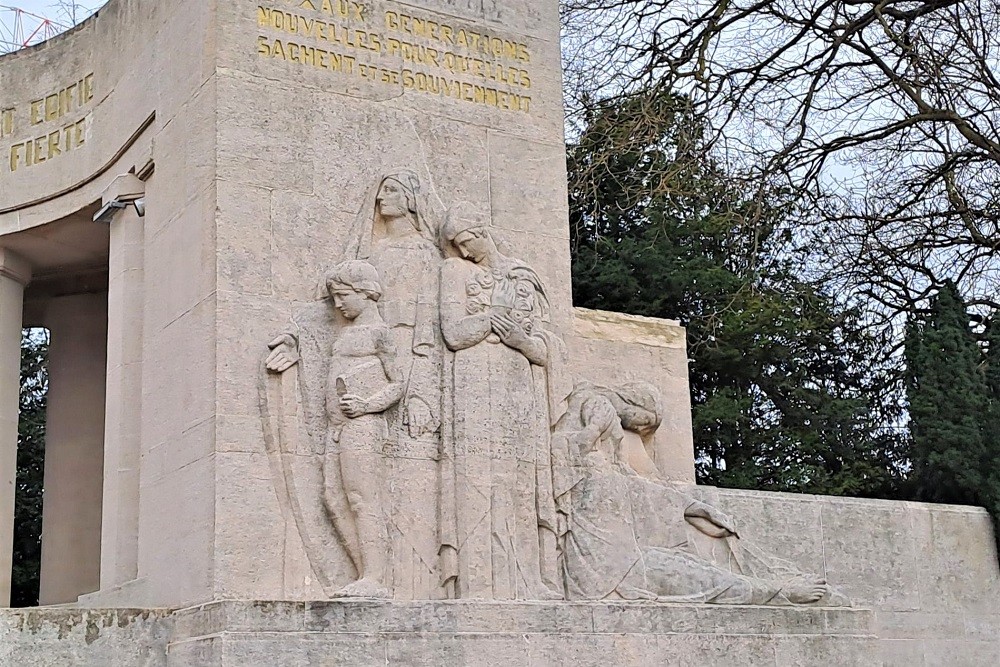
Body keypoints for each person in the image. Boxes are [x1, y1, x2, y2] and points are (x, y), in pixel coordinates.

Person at [554, 383, 845, 606]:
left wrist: (694, 509)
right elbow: (561, 465)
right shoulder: (579, 465)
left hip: (628, 560)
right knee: (712, 581)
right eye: (613, 437)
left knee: (698, 568)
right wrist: (592, 430)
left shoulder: (608, 474)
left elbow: (642, 491)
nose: (630, 436)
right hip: (611, 575)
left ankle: (774, 583)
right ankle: (782, 593)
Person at [437, 205, 565, 600]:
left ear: (482, 231)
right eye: (457, 246)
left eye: (467, 241)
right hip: (471, 384)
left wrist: (522, 342)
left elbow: (549, 350)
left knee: (522, 485)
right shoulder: (454, 274)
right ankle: (477, 582)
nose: (465, 252)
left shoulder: (524, 277)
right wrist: (492, 318)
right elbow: (454, 334)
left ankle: (531, 579)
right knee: (474, 482)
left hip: (517, 386)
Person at [316, 260, 403, 598]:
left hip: (363, 424)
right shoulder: (345, 331)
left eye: (342, 296)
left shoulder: (379, 333)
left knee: (362, 498)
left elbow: (398, 383)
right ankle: (361, 573)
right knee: (334, 498)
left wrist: (367, 405)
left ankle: (375, 577)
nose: (337, 305)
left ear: (366, 293)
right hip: (338, 425)